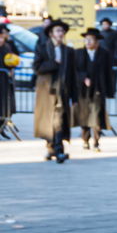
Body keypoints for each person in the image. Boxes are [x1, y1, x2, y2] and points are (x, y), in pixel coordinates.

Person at [33, 19, 75, 163]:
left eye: (62, 31)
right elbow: (37, 68)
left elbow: (72, 74)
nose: (60, 33)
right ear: (51, 33)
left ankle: (59, 150)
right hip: (46, 91)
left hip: (62, 90)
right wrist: (53, 63)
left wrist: (74, 96)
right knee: (48, 121)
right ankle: (52, 148)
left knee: (59, 119)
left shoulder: (68, 51)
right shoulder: (42, 48)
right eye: (57, 31)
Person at [75, 27, 115, 151]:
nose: (88, 42)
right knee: (84, 116)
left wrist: (110, 90)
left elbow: (109, 72)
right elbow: (75, 70)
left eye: (91, 40)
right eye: (86, 40)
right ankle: (85, 139)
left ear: (97, 41)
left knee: (97, 115)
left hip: (98, 89)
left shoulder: (104, 53)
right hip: (83, 91)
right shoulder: (79, 53)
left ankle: (96, 141)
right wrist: (83, 78)